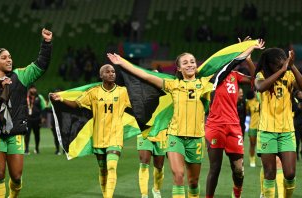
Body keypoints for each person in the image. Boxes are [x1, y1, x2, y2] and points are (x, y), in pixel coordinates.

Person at [108, 39, 264, 198]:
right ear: (179, 68)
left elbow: (229, 64)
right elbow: (145, 76)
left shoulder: (206, 83)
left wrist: (248, 48)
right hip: (175, 136)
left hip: (196, 139)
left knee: (193, 182)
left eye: (192, 62)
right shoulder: (172, 84)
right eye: (185, 62)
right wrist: (122, 63)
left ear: (196, 65)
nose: (189, 64)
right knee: (178, 176)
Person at [0, 28, 52, 198]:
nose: (9, 60)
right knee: (0, 173)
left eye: (10, 57)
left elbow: (41, 65)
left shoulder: (20, 76)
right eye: (4, 57)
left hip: (15, 132)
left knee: (16, 177)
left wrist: (46, 43)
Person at [50, 64, 131, 198]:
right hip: (98, 137)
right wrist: (62, 99)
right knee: (103, 169)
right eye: (107, 72)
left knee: (111, 167)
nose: (111, 74)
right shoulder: (93, 92)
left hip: (115, 136)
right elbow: (77, 103)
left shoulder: (123, 92)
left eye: (113, 71)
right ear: (101, 76)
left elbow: (139, 103)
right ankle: (106, 194)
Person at [205, 38, 265, 198]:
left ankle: (236, 194)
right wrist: (244, 49)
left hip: (233, 126)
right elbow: (230, 64)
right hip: (215, 126)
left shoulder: (235, 75)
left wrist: (249, 59)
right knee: (215, 168)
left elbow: (255, 81)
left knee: (239, 170)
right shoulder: (213, 77)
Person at [254, 48, 302, 198]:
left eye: (283, 64)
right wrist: (282, 70)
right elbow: (260, 87)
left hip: (287, 131)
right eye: (277, 66)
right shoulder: (261, 75)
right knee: (270, 173)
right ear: (270, 65)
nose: (281, 67)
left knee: (290, 173)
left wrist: (292, 66)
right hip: (267, 131)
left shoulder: (289, 75)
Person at [137, 130, 166, 198]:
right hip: (144, 132)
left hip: (161, 133)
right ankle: (144, 195)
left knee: (159, 167)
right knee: (144, 162)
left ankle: (156, 190)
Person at [24, 85, 47, 155]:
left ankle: (37, 148)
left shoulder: (39, 97)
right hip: (27, 119)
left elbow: (44, 107)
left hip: (37, 119)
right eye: (32, 88)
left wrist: (43, 117)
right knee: (27, 134)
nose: (33, 90)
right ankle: (26, 149)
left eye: (34, 88)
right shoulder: (25, 97)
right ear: (29, 89)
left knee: (37, 134)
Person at [246, 90, 260, 167]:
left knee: (262, 144)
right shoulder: (249, 102)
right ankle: (252, 159)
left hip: (262, 126)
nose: (256, 92)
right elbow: (246, 111)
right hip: (252, 126)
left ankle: (264, 160)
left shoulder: (262, 100)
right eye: (255, 91)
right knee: (252, 144)